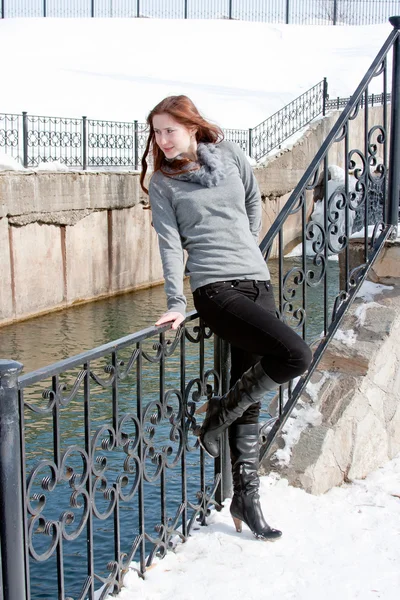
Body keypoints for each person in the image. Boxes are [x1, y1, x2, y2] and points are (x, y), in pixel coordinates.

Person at [140, 95, 312, 541]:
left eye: (168, 130)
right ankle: (217, 414)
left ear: (193, 127)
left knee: (252, 387)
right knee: (296, 354)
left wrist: (248, 251)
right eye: (156, 132)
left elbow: (253, 204)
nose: (161, 140)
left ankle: (245, 497)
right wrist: (177, 302)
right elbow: (170, 244)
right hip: (216, 289)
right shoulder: (163, 182)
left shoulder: (232, 155)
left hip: (258, 282)